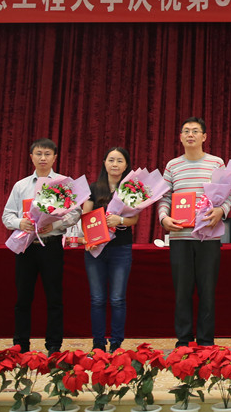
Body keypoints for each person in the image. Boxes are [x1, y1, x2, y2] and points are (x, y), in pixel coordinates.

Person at [157, 117, 231, 347]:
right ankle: (184, 340)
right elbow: (164, 197)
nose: (191, 135)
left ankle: (206, 342)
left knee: (207, 291)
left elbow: (228, 193)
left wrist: (221, 211)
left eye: (195, 131)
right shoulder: (172, 166)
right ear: (180, 137)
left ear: (204, 136)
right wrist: (164, 218)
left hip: (208, 236)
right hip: (180, 237)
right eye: (186, 131)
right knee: (182, 291)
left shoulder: (216, 163)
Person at [1, 138, 81, 355]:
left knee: (54, 298)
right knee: (23, 298)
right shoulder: (21, 185)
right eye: (38, 154)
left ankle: (54, 346)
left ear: (55, 157)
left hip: (51, 245)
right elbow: (7, 215)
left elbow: (75, 213)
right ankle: (21, 345)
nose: (43, 158)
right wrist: (20, 223)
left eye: (47, 154)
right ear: (31, 157)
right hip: (26, 246)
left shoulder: (64, 183)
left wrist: (54, 224)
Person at [80, 147, 139, 352]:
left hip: (120, 248)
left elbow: (134, 219)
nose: (115, 164)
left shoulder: (131, 190)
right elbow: (85, 217)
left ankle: (116, 343)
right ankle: (98, 343)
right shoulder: (94, 188)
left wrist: (119, 220)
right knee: (97, 299)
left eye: (119, 160)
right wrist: (89, 238)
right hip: (96, 249)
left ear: (126, 165)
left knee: (117, 298)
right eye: (111, 160)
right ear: (104, 163)